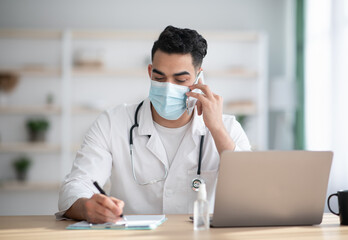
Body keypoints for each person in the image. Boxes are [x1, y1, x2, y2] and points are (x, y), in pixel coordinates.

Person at [56, 25, 251, 223]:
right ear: (150, 72)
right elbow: (75, 186)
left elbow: (250, 192)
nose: (168, 88)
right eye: (159, 78)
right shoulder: (112, 122)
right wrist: (86, 207)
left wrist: (217, 129)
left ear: (199, 78)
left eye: (180, 79)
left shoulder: (228, 127)